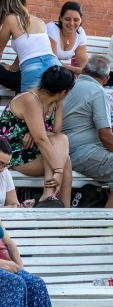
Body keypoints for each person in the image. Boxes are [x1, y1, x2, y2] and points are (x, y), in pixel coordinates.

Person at [61, 55, 113, 207]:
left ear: (84, 71)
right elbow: (105, 135)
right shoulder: (98, 92)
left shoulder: (70, 85)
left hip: (63, 151)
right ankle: (106, 222)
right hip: (81, 154)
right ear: (105, 79)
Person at [2, 65, 74, 207]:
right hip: (14, 153)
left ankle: (59, 210)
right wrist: (57, 170)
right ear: (64, 92)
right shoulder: (30, 99)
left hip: (37, 150)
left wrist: (35, 133)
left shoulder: (57, 102)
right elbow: (42, 140)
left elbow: (56, 132)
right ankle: (52, 201)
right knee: (64, 162)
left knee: (62, 146)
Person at [0, 0, 60, 91]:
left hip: (33, 70)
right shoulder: (39, 21)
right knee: (52, 106)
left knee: (28, 105)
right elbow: (29, 49)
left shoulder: (11, 19)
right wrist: (12, 68)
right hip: (55, 67)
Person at [46, 2, 88, 74]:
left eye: (76, 20)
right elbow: (52, 61)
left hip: (60, 70)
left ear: (81, 19)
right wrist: (73, 69)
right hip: (44, 67)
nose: (71, 23)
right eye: (67, 19)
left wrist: (83, 71)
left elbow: (83, 62)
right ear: (61, 18)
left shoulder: (80, 32)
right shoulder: (51, 29)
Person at [0, 137, 20, 207]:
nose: (2, 169)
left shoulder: (5, 173)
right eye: (0, 163)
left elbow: (14, 204)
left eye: (5, 165)